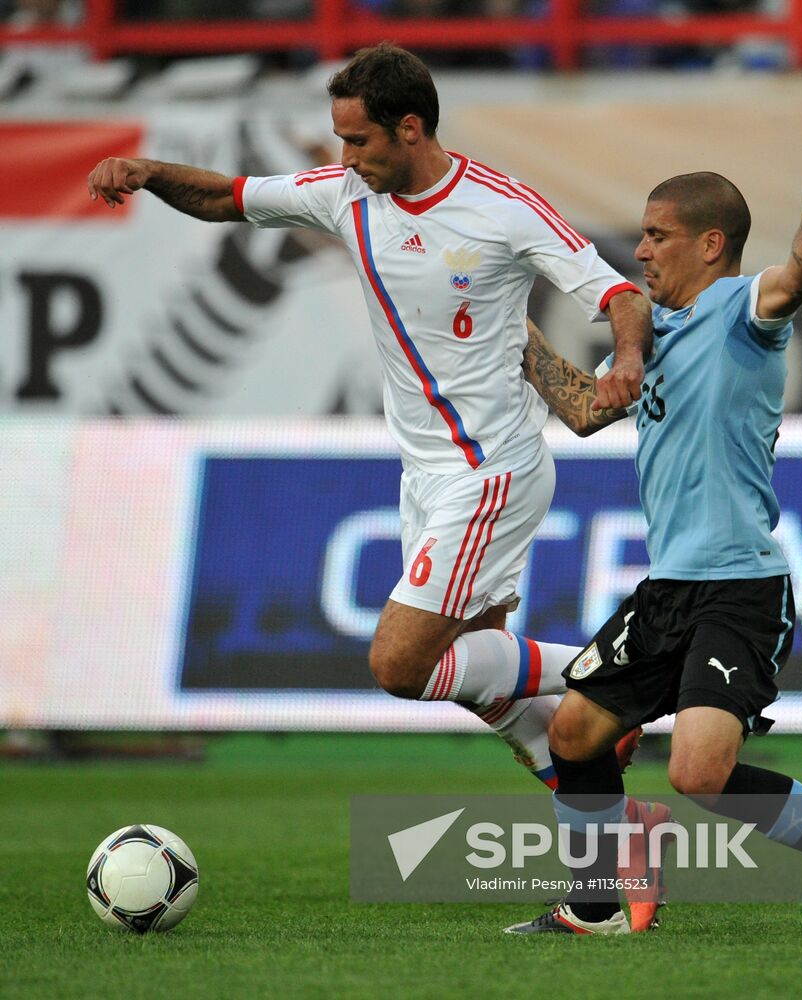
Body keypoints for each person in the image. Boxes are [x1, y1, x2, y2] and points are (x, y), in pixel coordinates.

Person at [86, 42, 668, 923]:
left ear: (410, 127)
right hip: (423, 477)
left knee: (402, 666)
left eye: (358, 141)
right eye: (337, 141)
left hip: (490, 473)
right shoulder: (346, 196)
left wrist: (624, 359)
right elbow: (225, 198)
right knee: (501, 702)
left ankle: (624, 677)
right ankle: (608, 863)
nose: (343, 158)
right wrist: (144, 170)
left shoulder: (501, 207)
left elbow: (618, 291)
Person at [506, 146, 802, 939]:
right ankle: (594, 907)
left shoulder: (743, 312)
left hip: (739, 588)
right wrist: (508, 334)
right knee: (573, 733)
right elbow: (582, 411)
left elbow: (797, 277)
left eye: (656, 234)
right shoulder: (649, 336)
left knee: (698, 774)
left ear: (709, 244)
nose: (640, 251)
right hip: (666, 589)